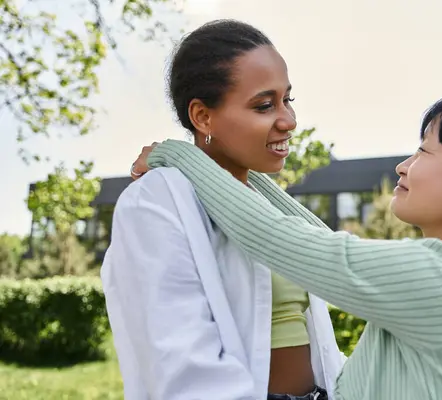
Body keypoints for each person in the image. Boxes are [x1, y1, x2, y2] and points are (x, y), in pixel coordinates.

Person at [132, 94, 442, 399]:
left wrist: (180, 154)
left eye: (424, 151)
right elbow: (320, 241)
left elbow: (285, 243)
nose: (403, 165)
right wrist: (237, 168)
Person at [101, 19, 345, 400]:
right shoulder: (154, 203)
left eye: (288, 100)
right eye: (265, 105)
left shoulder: (270, 203)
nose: (289, 121)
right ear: (202, 117)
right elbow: (182, 368)